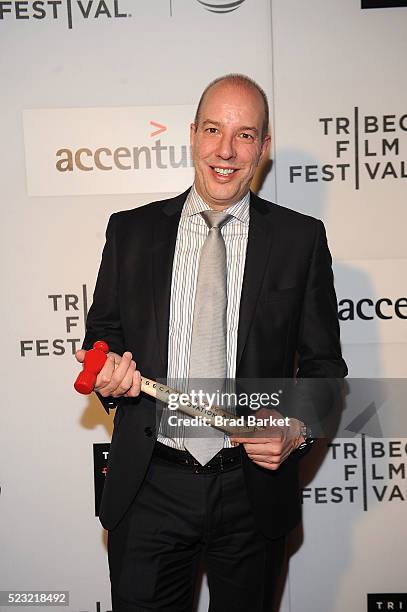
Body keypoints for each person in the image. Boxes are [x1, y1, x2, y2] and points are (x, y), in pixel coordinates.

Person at [76, 74, 347, 612]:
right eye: (213, 130)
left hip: (252, 492)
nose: (226, 151)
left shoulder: (300, 240)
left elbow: (324, 368)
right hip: (149, 484)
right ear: (192, 134)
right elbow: (101, 339)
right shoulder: (130, 232)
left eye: (245, 135)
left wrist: (296, 428)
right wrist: (109, 375)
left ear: (263, 148)